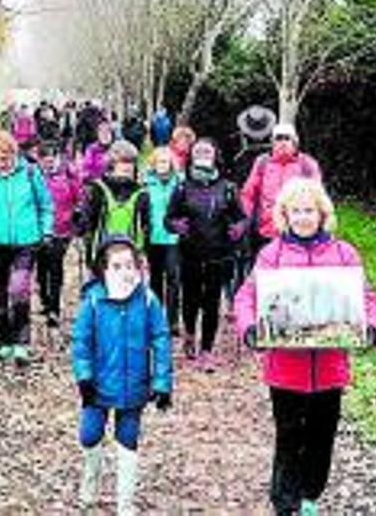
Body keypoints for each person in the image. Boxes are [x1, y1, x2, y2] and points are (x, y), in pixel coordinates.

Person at [233, 177, 376, 516]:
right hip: (285, 370)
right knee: (288, 438)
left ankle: (309, 495)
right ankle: (284, 504)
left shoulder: (344, 254)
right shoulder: (272, 255)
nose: (303, 217)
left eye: (310, 211)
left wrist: (372, 327)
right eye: (297, 211)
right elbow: (247, 296)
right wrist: (250, 328)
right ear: (285, 214)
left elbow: (368, 296)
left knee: (321, 439)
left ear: (322, 214)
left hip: (330, 368)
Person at [71, 236, 173, 515]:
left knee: (128, 440)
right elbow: (81, 341)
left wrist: (163, 383)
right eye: (117, 266)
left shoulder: (148, 300)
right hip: (98, 386)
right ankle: (89, 485)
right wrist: (84, 377)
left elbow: (161, 339)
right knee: (89, 435)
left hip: (134, 387)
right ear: (104, 270)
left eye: (130, 265)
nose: (125, 272)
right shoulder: (93, 301)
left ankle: (124, 504)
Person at [0, 131, 55, 366]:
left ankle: (22, 341)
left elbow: (45, 204)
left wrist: (46, 231)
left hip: (25, 241)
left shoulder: (29, 172)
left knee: (19, 289)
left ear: (14, 154)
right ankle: (5, 338)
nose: (2, 163)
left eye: (6, 157)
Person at [165, 138, 245, 372]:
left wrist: (238, 229)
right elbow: (167, 218)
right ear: (192, 155)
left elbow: (241, 217)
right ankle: (189, 333)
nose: (202, 154)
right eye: (198, 150)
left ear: (215, 155)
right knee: (190, 299)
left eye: (207, 150)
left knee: (212, 303)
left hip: (218, 255)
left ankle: (207, 350)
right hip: (189, 253)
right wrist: (176, 225)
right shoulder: (181, 187)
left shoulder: (228, 188)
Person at [239, 122, 323, 257]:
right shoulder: (262, 163)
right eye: (278, 138)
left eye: (287, 138)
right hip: (265, 232)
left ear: (295, 142)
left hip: (297, 231)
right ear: (272, 142)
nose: (282, 142)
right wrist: (243, 219)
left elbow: (318, 198)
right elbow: (248, 194)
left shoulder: (307, 164)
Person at [79, 140, 150, 266]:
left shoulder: (141, 192)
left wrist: (143, 253)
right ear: (112, 165)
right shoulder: (98, 189)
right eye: (122, 161)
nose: (127, 166)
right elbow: (87, 223)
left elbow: (146, 225)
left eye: (131, 162)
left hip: (131, 252)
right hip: (102, 252)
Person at [36, 141, 82, 329]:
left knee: (55, 267)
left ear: (56, 158)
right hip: (39, 231)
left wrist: (78, 213)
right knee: (42, 268)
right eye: (44, 158)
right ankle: (45, 299)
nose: (48, 161)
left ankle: (54, 308)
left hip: (62, 230)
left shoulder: (68, 175)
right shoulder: (35, 177)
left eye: (51, 157)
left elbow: (78, 196)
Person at [144, 147, 181, 336]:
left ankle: (173, 320)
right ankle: (156, 319)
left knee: (174, 279)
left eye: (165, 162)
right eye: (159, 161)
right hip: (153, 238)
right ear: (153, 163)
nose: (162, 165)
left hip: (174, 239)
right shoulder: (146, 184)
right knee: (155, 280)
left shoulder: (180, 183)